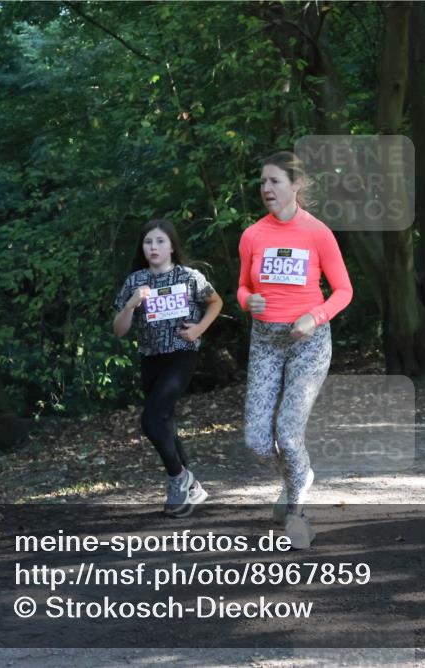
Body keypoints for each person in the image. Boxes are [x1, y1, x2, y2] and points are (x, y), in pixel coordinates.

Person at [237, 151, 353, 549]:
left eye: (275, 182)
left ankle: (297, 511)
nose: (266, 189)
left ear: (296, 185)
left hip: (308, 343)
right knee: (255, 440)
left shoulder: (318, 233)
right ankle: (295, 479)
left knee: (288, 434)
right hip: (266, 342)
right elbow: (243, 287)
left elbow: (343, 291)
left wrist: (315, 318)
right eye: (263, 182)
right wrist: (246, 301)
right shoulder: (252, 235)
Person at [114, 219, 222, 517]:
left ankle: (178, 478)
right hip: (150, 357)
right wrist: (130, 306)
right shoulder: (135, 281)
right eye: (149, 242)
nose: (154, 247)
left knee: (151, 419)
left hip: (181, 353)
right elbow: (119, 330)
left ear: (172, 246)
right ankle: (192, 487)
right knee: (165, 422)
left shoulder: (189, 277)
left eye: (160, 241)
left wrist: (199, 328)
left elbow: (215, 302)